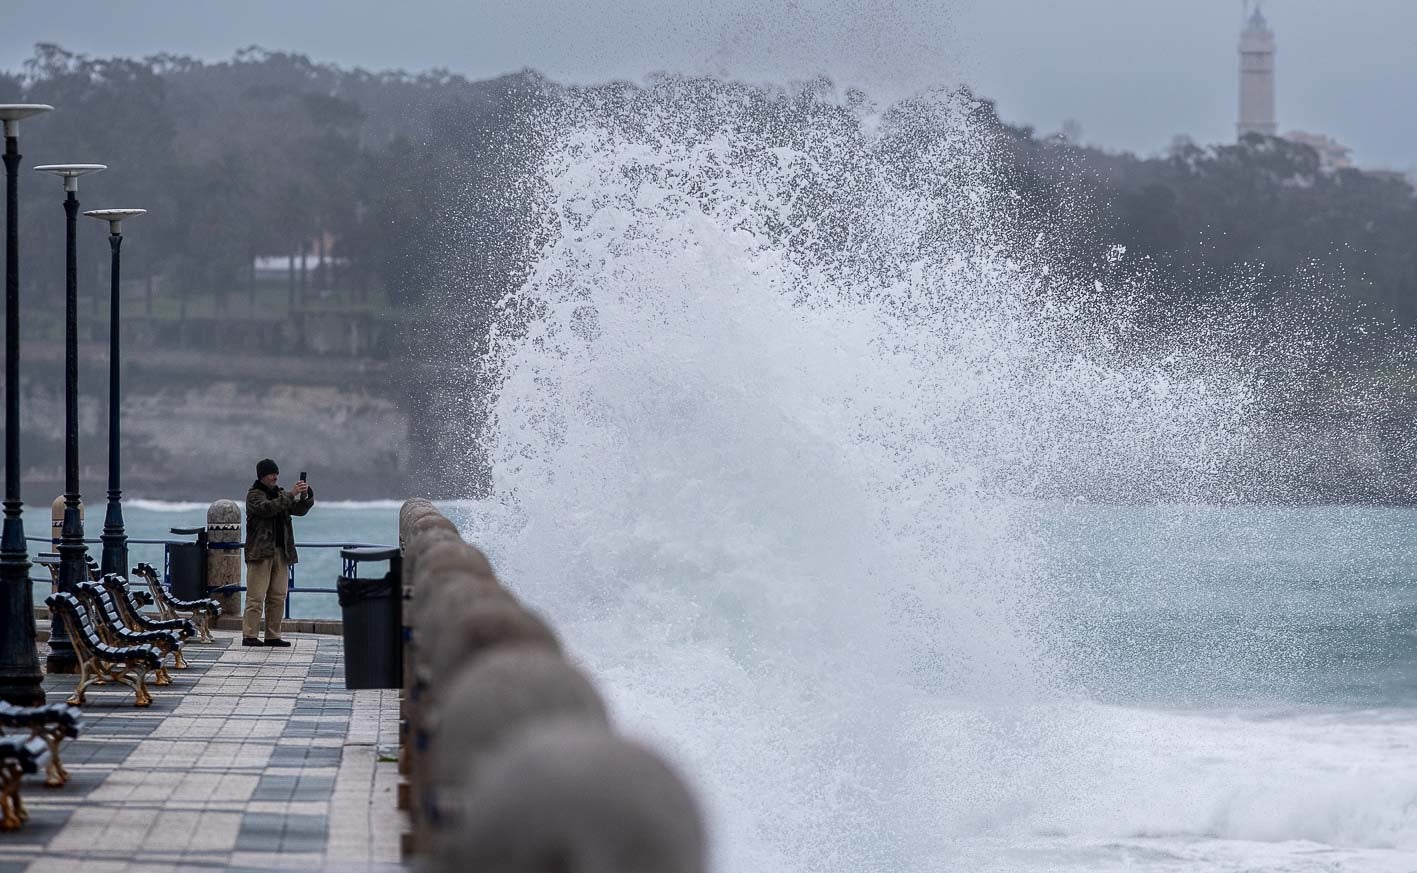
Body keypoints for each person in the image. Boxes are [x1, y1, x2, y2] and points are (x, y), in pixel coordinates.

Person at [243, 458, 314, 647]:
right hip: (260, 553)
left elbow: (298, 510)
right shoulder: (254, 496)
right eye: (272, 474)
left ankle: (273, 635)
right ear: (262, 476)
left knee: (278, 596)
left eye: (276, 473)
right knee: (255, 597)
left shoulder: (281, 494)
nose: (275, 477)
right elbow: (268, 508)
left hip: (282, 552)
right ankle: (249, 635)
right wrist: (291, 494)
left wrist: (305, 496)